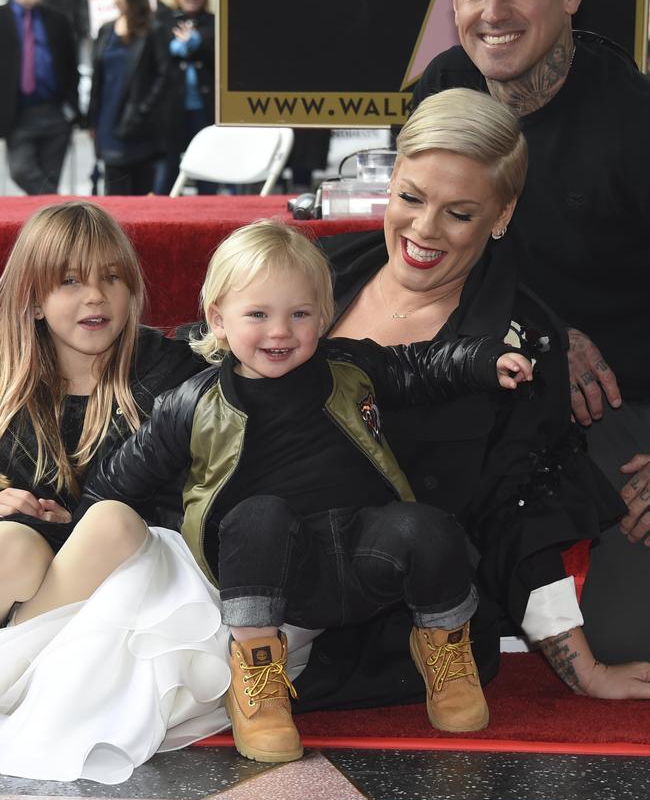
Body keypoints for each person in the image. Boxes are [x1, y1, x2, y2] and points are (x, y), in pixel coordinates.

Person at [79, 218, 533, 763]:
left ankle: (444, 648)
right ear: (218, 320)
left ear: (323, 315)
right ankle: (257, 676)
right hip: (270, 573)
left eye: (299, 314)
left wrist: (483, 360)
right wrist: (72, 537)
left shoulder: (348, 367)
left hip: (364, 554)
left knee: (426, 525)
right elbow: (118, 480)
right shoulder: (191, 403)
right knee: (258, 516)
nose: (280, 332)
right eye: (258, 315)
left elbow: (418, 366)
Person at [292, 86, 650, 710]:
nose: (424, 231)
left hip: (376, 618)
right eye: (410, 197)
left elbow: (517, 510)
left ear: (503, 214)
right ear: (393, 176)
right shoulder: (320, 267)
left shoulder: (522, 343)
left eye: (459, 213)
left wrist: (582, 667)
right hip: (253, 555)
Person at [409, 0, 650, 666]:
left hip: (617, 401)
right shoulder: (441, 93)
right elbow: (419, 267)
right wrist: (540, 325)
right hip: (489, 389)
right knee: (408, 593)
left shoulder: (631, 120)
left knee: (624, 639)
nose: (494, 9)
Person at [0, 200, 233, 783]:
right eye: (70, 281)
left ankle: (14, 676)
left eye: (112, 278)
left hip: (140, 567)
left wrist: (75, 520)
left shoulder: (168, 371)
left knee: (110, 521)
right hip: (50, 562)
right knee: (11, 546)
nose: (95, 297)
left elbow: (185, 492)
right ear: (31, 298)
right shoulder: (7, 374)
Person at [0, 0, 78, 194]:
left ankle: (45, 227)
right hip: (18, 114)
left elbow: (71, 64)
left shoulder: (57, 19)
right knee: (21, 171)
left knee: (50, 178)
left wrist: (73, 109)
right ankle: (55, 206)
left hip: (55, 113)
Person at [88, 0, 168, 196]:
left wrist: (142, 111)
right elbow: (98, 78)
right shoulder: (106, 30)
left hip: (138, 122)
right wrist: (91, 119)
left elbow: (164, 75)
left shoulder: (153, 29)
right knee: (113, 192)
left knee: (141, 192)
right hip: (108, 119)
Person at [153, 0, 215, 195]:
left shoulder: (212, 23)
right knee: (166, 171)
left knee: (206, 170)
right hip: (171, 110)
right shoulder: (164, 21)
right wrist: (176, 46)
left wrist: (196, 42)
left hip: (202, 109)